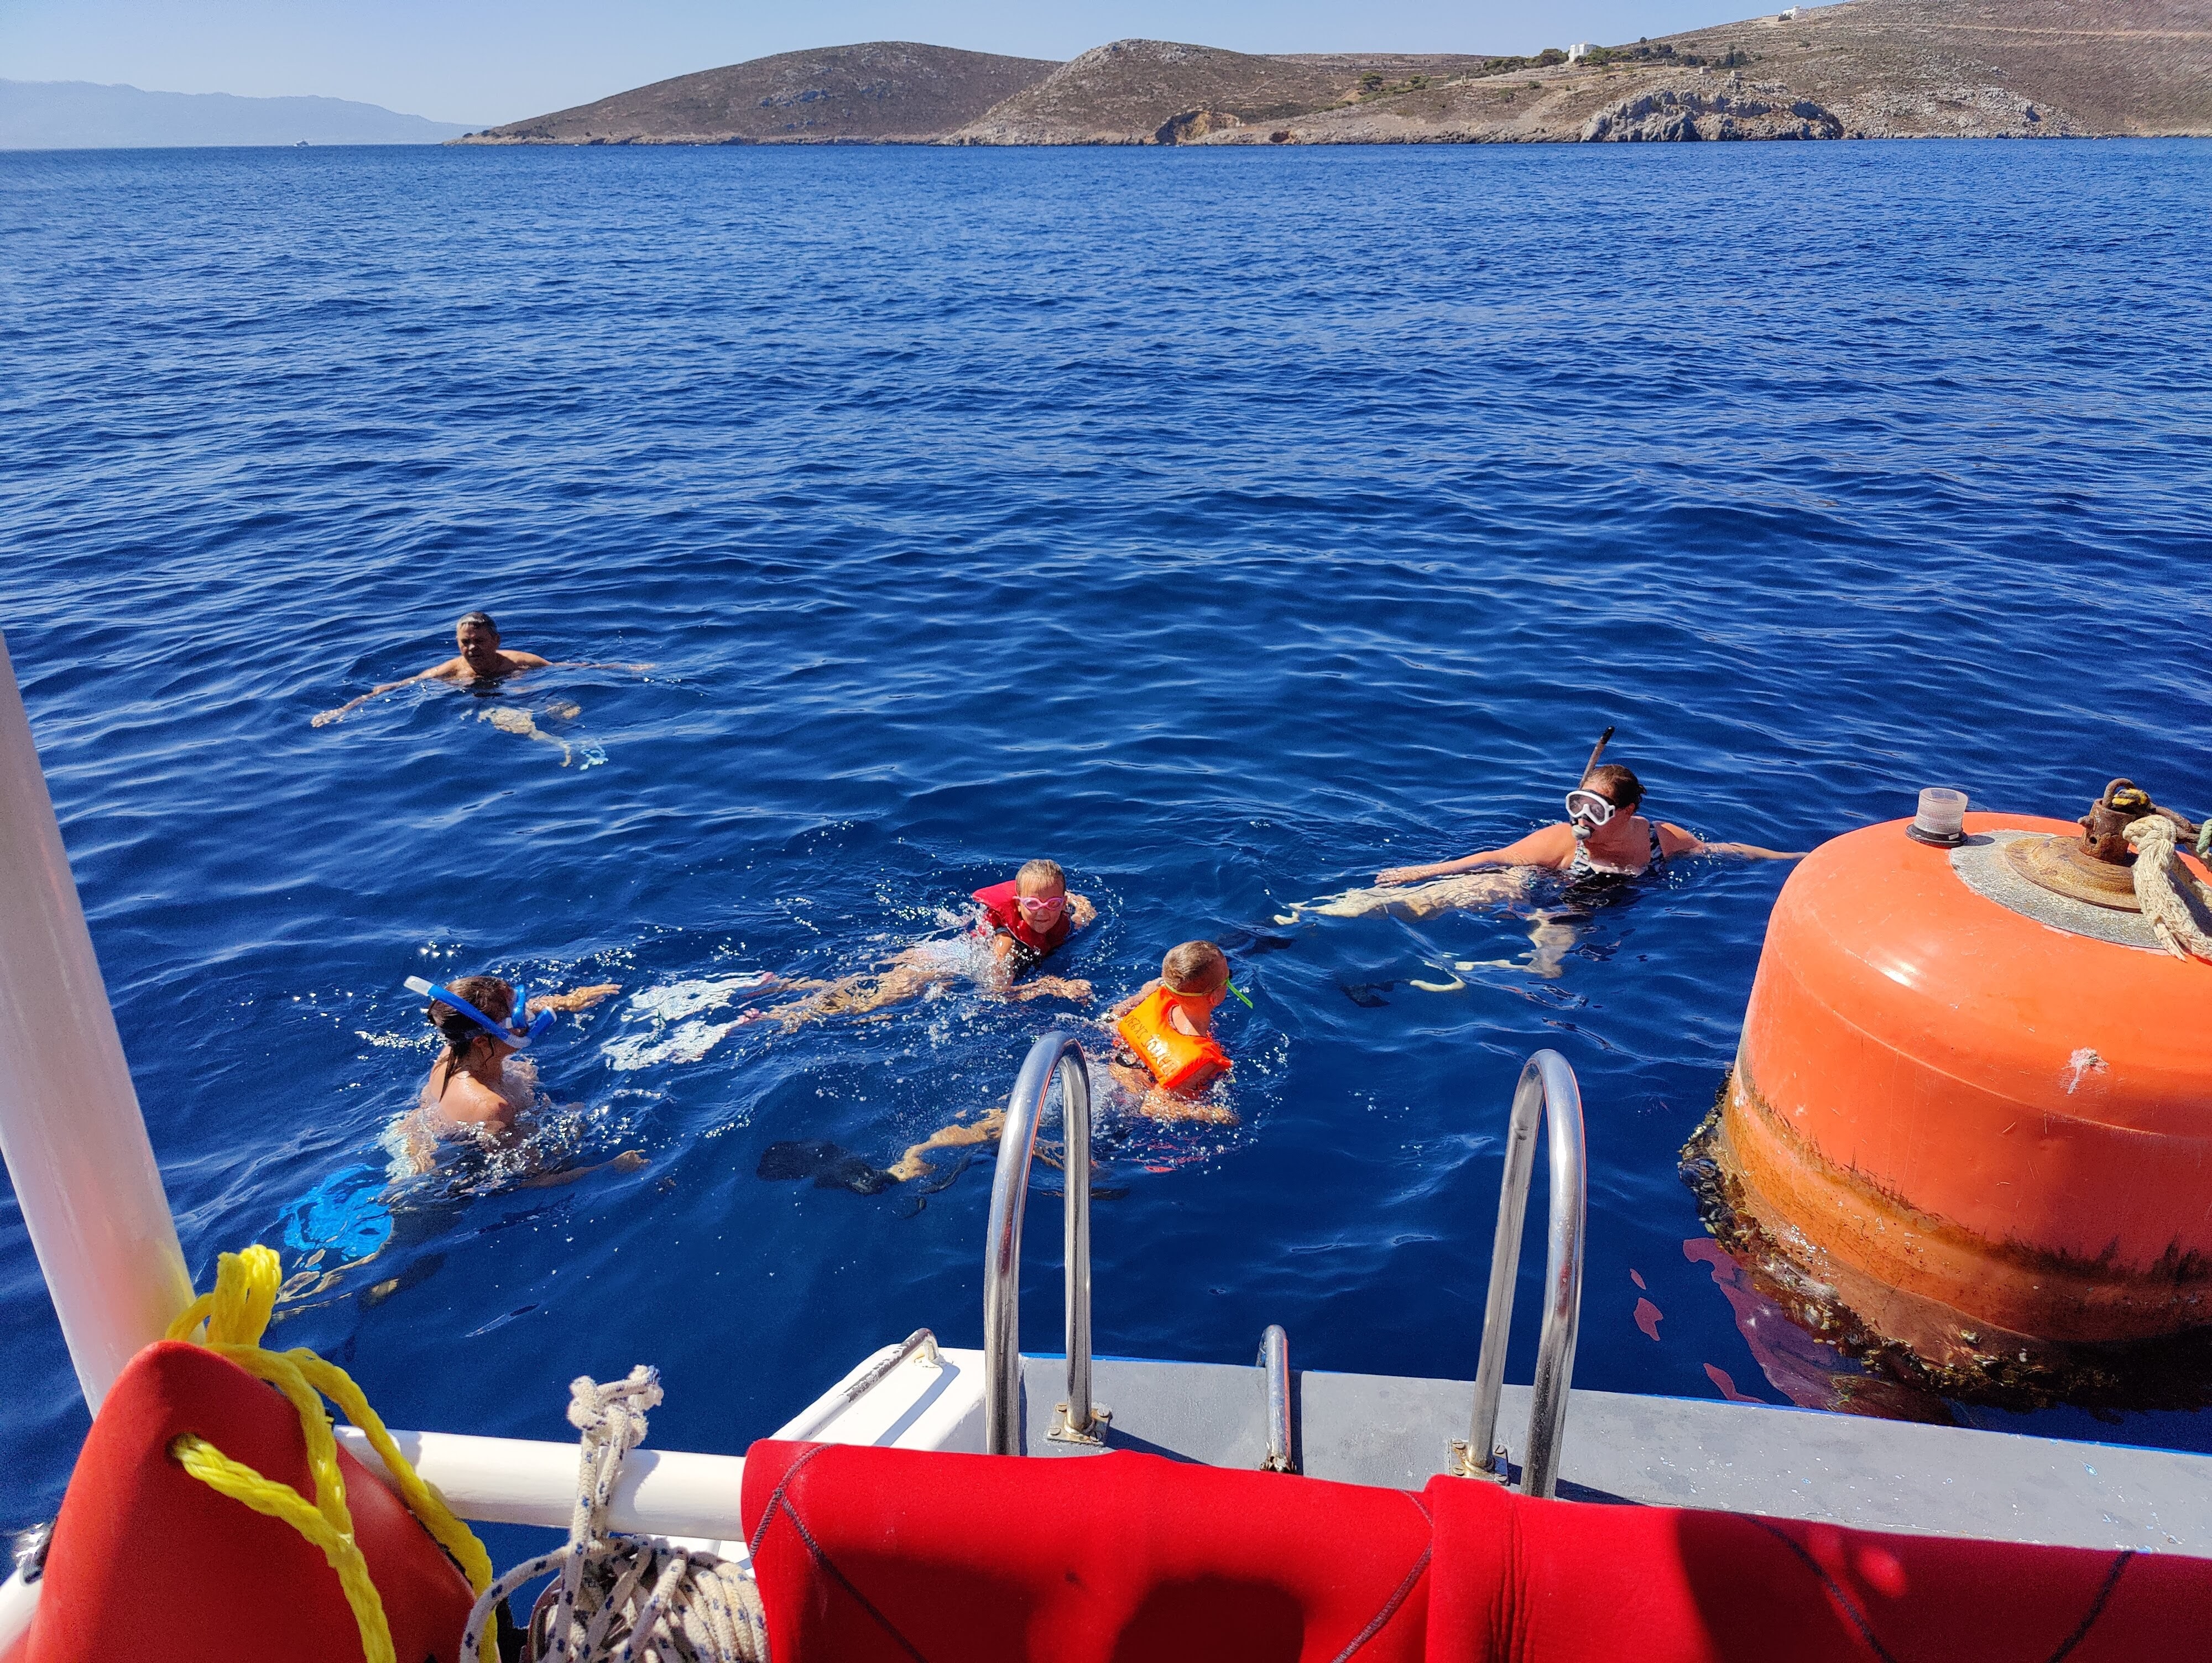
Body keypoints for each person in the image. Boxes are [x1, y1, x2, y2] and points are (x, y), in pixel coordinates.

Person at [1307, 762, 1806, 925]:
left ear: (1627, 812)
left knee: (1550, 968)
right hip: (1545, 886)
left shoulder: (1661, 839)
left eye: (1596, 811)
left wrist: (1790, 859)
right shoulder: (1564, 841)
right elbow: (1494, 857)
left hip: (1598, 909)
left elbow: (1721, 850)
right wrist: (1423, 872)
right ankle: (1329, 913)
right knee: (1455, 895)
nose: (1582, 819)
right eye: (1577, 805)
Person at [759, 859, 1097, 1031]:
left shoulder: (1065, 914)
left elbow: (1082, 910)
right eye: (1033, 905)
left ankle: (785, 986)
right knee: (878, 997)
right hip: (947, 962)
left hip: (948, 951)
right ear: (1018, 903)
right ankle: (784, 1014)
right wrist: (1051, 987)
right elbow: (996, 993)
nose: (1044, 913)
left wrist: (1080, 906)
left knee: (872, 983)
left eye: (1053, 903)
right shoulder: (1006, 943)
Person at [395, 972, 638, 1184]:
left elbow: (501, 1016)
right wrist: (609, 1168)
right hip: (440, 1172)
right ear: (481, 1041)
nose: (528, 1020)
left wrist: (566, 1002)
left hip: (416, 1128)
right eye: (520, 1017)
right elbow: (530, 1177)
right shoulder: (492, 1107)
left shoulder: (455, 1048)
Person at [311, 611, 650, 728]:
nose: (472, 648)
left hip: (515, 689)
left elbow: (569, 667)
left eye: (479, 641)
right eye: (465, 642)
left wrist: (623, 669)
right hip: (472, 700)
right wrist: (343, 710)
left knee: (560, 707)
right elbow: (389, 689)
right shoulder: (449, 672)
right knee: (501, 714)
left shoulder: (520, 662)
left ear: (496, 641)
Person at [1105, 940, 1236, 1123]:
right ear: (1214, 998)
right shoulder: (1203, 1059)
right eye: (1229, 978)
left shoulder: (1156, 994)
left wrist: (1138, 997)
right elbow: (1151, 1107)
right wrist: (1211, 1114)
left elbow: (1111, 1019)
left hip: (1107, 1071)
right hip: (1124, 1105)